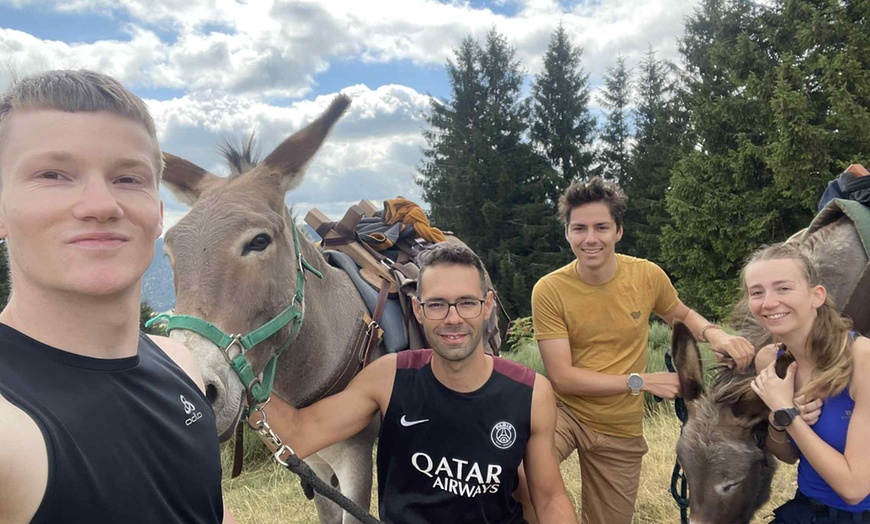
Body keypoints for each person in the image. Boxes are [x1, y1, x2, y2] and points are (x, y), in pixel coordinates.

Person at [0, 70, 236, 523]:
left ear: (159, 214)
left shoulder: (181, 366)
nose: (101, 204)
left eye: (128, 179)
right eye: (53, 174)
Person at [252, 242, 578, 523]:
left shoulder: (530, 392)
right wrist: (235, 369)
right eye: (437, 304)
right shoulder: (390, 376)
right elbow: (299, 432)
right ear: (418, 311)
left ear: (487, 306)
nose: (453, 318)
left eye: (466, 302)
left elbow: (549, 498)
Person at [521, 176, 755, 524]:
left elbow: (680, 314)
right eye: (579, 228)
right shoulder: (550, 290)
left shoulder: (646, 276)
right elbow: (563, 377)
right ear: (567, 233)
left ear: (618, 230)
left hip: (619, 426)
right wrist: (641, 381)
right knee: (519, 474)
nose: (590, 238)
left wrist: (714, 334)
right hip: (563, 414)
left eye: (601, 227)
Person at [748, 243, 870, 522]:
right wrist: (778, 421)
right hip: (806, 509)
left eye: (783, 288)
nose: (768, 302)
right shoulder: (769, 361)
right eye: (757, 292)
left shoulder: (863, 359)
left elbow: (854, 489)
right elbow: (788, 455)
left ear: (816, 296)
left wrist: (787, 413)